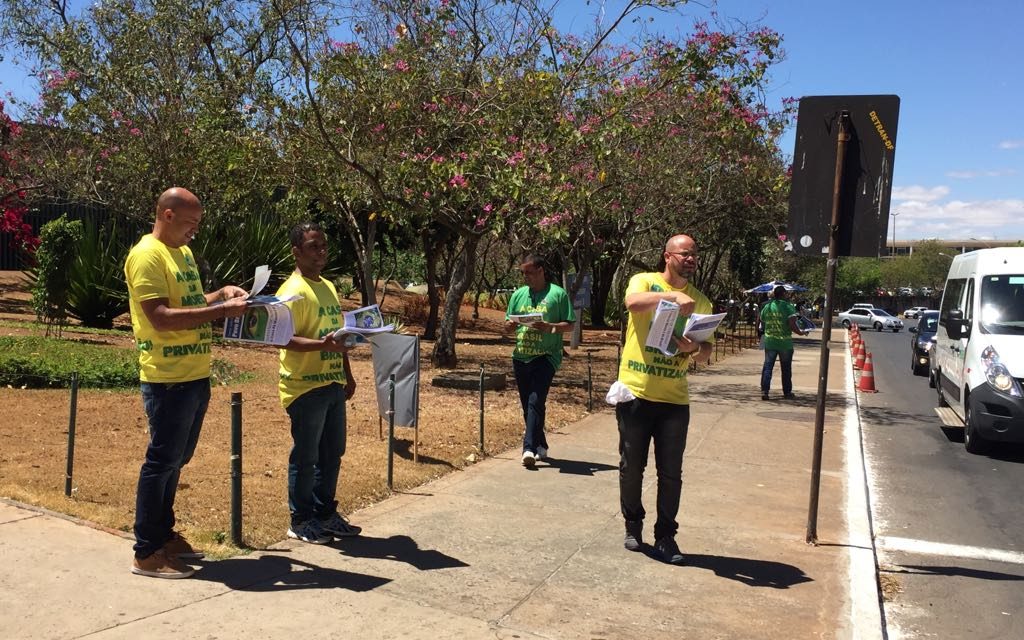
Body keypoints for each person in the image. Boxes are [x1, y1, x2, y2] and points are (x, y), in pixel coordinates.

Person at [125, 187, 249, 579]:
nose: (194, 231)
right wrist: (220, 311)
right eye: (190, 223)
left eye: (197, 224)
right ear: (166, 215)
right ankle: (146, 551)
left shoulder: (182, 254)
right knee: (160, 462)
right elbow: (160, 315)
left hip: (195, 374)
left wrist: (220, 296)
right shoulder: (147, 255)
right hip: (167, 379)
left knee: (177, 460)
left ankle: (164, 535)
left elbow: (187, 300)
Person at [615, 234, 713, 565]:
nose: (691, 259)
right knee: (632, 467)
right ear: (667, 256)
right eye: (685, 254)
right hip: (637, 393)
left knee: (671, 472)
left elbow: (706, 350)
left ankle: (666, 535)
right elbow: (632, 304)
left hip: (674, 399)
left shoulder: (701, 301)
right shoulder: (644, 281)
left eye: (694, 255)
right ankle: (633, 524)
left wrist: (694, 348)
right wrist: (670, 296)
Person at [276, 222, 362, 544]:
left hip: (332, 383)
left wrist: (347, 372)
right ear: (296, 252)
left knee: (332, 452)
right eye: (313, 246)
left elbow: (336, 334)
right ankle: (300, 520)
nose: (321, 251)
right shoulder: (291, 292)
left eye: (323, 245)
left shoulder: (327, 285)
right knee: (306, 455)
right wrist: (322, 347)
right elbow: (281, 339)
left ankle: (325, 513)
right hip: (304, 386)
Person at [503, 254, 575, 469]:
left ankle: (529, 448)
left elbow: (570, 325)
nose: (527, 277)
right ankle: (541, 442)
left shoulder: (557, 294)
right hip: (521, 355)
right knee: (529, 405)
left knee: (536, 400)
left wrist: (550, 327)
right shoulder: (518, 295)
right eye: (523, 273)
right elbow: (507, 324)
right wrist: (510, 326)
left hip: (546, 356)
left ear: (542, 270)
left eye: (530, 273)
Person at [759, 285, 808, 401]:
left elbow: (762, 321)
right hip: (784, 343)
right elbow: (792, 324)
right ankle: (787, 392)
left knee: (767, 367)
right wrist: (801, 333)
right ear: (784, 294)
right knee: (786, 368)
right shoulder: (788, 307)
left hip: (770, 341)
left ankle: (765, 391)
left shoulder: (767, 307)